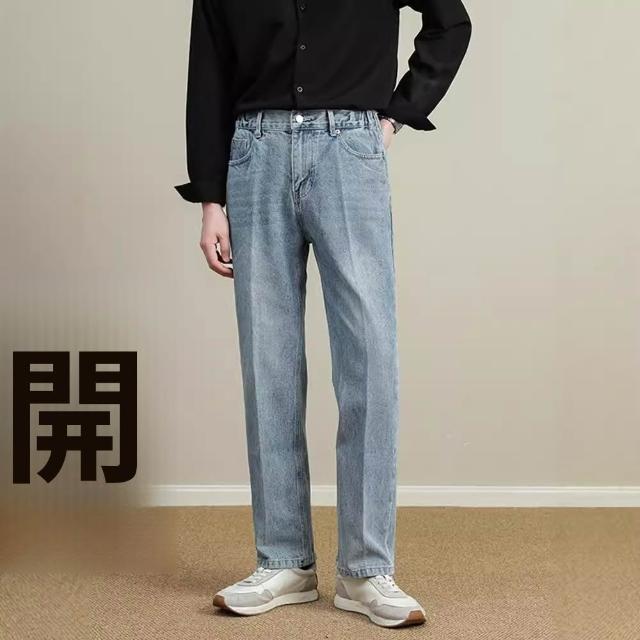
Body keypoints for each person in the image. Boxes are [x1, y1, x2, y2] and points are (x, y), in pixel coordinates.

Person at [175, 0, 471, 628]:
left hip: (349, 148)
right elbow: (209, 73)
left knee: (370, 360)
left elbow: (450, 21)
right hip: (254, 153)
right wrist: (210, 199)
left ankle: (366, 569)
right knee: (268, 364)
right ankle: (283, 560)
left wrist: (397, 114)